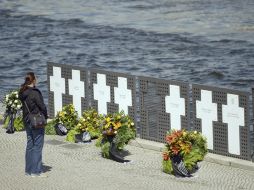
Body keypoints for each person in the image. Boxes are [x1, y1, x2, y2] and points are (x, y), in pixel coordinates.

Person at [19, 72, 48, 177]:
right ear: (34, 80)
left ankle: (28, 170)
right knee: (38, 146)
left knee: (30, 145)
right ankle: (36, 171)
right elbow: (43, 107)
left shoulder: (23, 91)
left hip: (27, 120)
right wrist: (46, 116)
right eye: (36, 78)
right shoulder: (35, 92)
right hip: (36, 121)